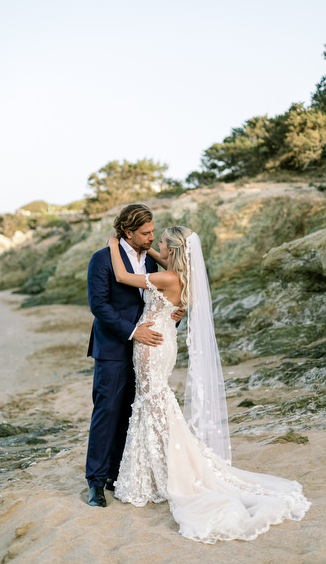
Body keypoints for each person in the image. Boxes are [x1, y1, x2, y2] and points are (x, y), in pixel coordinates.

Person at [107, 225, 311, 543]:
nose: (156, 247)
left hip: (152, 346)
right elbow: (165, 260)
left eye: (161, 243)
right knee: (156, 404)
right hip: (164, 342)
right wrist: (154, 250)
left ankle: (166, 474)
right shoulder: (180, 277)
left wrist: (113, 244)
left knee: (153, 403)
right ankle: (159, 472)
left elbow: (121, 276)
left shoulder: (168, 279)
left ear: (173, 251)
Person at [85, 204, 184, 507]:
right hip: (115, 347)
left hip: (148, 351)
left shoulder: (154, 264)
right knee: (107, 412)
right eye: (146, 233)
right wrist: (132, 332)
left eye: (154, 231)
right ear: (128, 232)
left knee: (132, 411)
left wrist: (174, 316)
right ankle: (96, 483)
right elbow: (99, 305)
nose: (152, 237)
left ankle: (119, 473)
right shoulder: (102, 260)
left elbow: (161, 302)